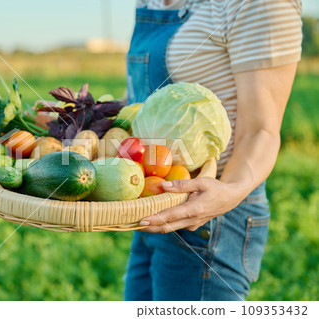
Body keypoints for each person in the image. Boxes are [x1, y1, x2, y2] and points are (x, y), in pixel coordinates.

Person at [124, 0, 302, 301]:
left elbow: (261, 130)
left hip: (211, 218)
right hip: (153, 203)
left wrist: (228, 191)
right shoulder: (150, 2)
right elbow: (141, 103)